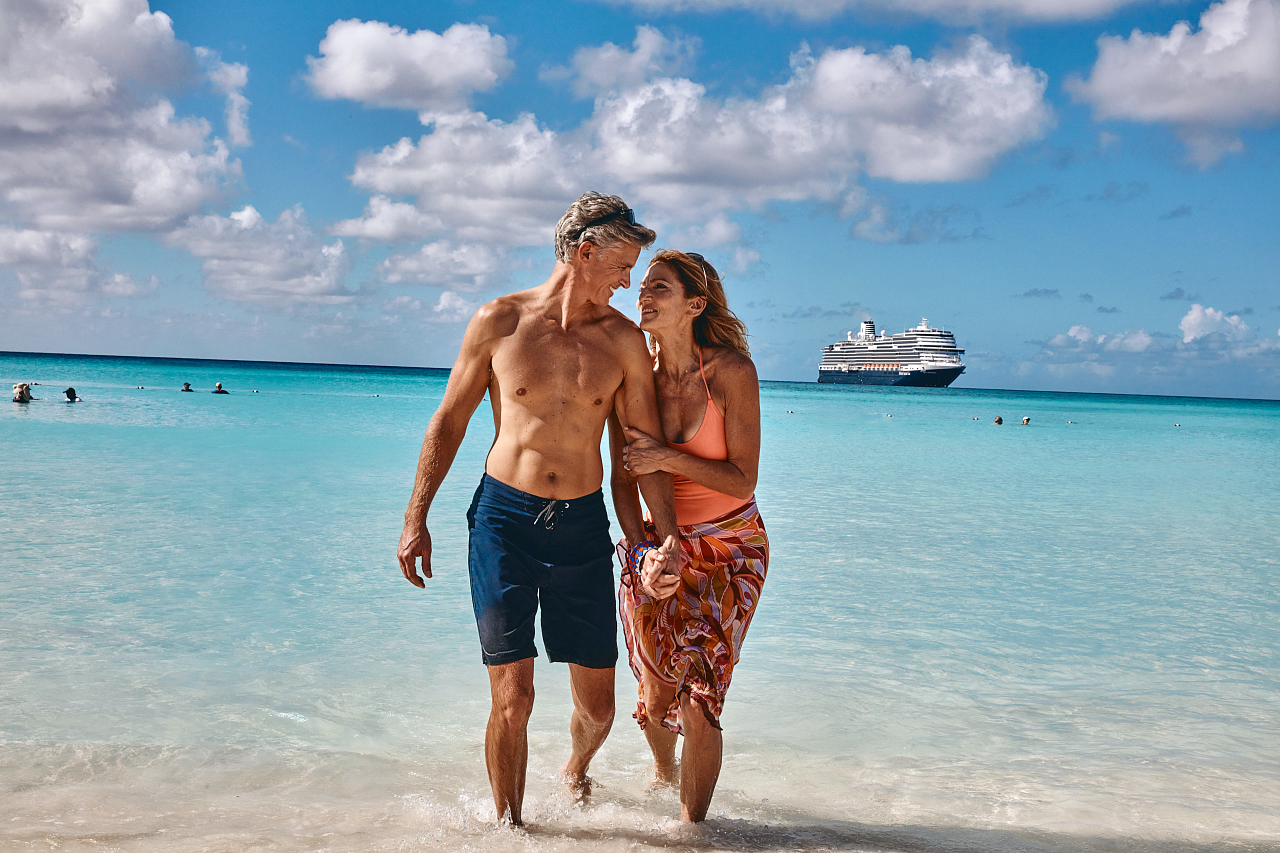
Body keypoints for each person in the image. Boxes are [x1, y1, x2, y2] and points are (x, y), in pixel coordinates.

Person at [396, 192, 682, 826]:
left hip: (581, 525)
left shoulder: (624, 341)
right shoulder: (499, 321)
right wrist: (417, 517)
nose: (627, 283)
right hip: (504, 520)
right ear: (584, 253)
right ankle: (511, 831)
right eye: (620, 267)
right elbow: (449, 421)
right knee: (514, 696)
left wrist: (659, 538)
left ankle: (576, 766)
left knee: (600, 708)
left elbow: (641, 449)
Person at [613, 249, 769, 823]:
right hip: (656, 548)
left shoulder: (730, 371)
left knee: (700, 692)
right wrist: (639, 552)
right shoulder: (635, 378)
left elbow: (742, 476)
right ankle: (663, 770)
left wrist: (664, 457)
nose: (643, 296)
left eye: (659, 288)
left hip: (731, 546)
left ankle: (691, 833)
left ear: (694, 305)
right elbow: (621, 482)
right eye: (643, 287)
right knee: (656, 697)